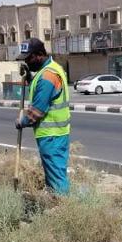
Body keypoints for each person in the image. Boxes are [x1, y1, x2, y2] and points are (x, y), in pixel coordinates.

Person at [15, 38, 71, 194]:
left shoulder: (47, 76)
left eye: (29, 58)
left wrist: (22, 121)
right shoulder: (51, 69)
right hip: (57, 134)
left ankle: (63, 210)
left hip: (51, 135)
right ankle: (59, 204)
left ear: (39, 54)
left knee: (56, 178)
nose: (27, 61)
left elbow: (37, 111)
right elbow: (43, 90)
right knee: (55, 175)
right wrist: (30, 78)